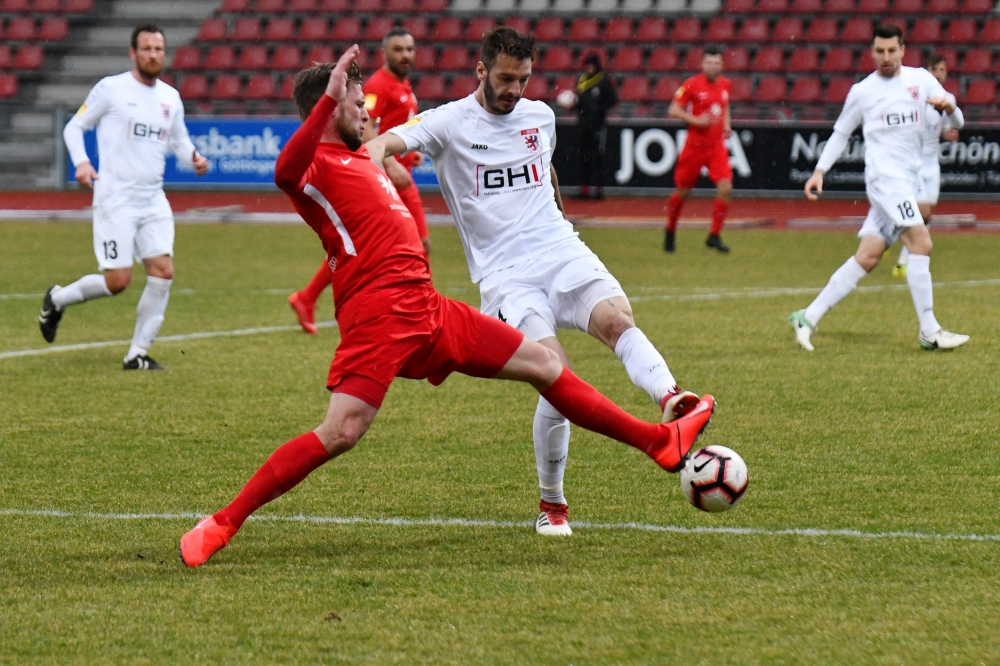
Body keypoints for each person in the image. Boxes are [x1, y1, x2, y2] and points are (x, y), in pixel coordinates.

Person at [178, 48, 715, 567]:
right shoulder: (315, 164)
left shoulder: (360, 156)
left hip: (430, 309)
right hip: (380, 318)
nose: (364, 110)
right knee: (341, 432)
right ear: (327, 106)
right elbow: (283, 172)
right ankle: (222, 523)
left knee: (547, 366)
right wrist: (327, 101)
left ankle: (658, 444)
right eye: (353, 102)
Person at [366, 28, 702, 537]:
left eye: (523, 79)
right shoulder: (449, 122)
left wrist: (564, 223)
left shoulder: (540, 116)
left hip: (559, 248)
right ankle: (554, 504)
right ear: (481, 71)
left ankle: (672, 399)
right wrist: (369, 164)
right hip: (504, 276)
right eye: (504, 79)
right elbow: (383, 143)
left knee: (617, 318)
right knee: (554, 374)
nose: (514, 89)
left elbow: (546, 174)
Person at [789, 25, 968, 352]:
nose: (885, 57)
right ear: (872, 53)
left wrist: (949, 109)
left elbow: (958, 124)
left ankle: (807, 317)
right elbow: (841, 133)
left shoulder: (921, 80)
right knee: (922, 243)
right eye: (879, 51)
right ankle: (930, 330)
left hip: (907, 180)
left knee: (868, 256)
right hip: (886, 181)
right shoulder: (863, 91)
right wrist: (819, 171)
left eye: (891, 51)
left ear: (903, 50)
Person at [41, 23, 208, 369]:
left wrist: (193, 157)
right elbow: (75, 126)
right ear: (133, 53)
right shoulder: (112, 89)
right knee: (118, 281)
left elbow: (178, 140)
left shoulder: (170, 97)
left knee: (162, 271)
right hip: (115, 198)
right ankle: (57, 300)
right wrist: (83, 163)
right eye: (146, 49)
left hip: (153, 199)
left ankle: (137, 354)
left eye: (158, 49)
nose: (153, 55)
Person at [287, 27, 430, 335]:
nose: (405, 55)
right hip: (381, 173)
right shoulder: (378, 85)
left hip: (395, 170)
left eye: (409, 48)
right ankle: (411, 312)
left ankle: (308, 297)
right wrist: (390, 163)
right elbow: (362, 126)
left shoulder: (403, 85)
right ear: (384, 54)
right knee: (404, 242)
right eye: (398, 50)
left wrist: (406, 157)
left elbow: (385, 128)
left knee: (382, 242)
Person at [892, 53, 960, 279]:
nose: (939, 74)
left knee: (926, 216)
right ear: (927, 72)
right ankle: (905, 259)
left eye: (942, 69)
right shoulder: (916, 96)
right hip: (915, 161)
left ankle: (891, 243)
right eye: (935, 70)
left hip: (933, 162)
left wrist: (949, 134)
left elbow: (947, 127)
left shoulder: (948, 98)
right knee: (922, 211)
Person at [664, 45, 733, 254]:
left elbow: (725, 105)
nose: (713, 66)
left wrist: (727, 124)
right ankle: (670, 229)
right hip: (694, 147)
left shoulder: (726, 84)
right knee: (682, 192)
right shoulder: (692, 84)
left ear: (722, 64)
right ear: (702, 64)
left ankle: (714, 235)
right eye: (709, 62)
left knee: (726, 188)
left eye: (717, 62)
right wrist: (695, 120)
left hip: (716, 146)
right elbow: (673, 110)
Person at [570, 53, 617, 200]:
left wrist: (599, 110)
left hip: (598, 125)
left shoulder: (603, 80)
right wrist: (572, 105)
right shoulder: (582, 80)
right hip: (583, 124)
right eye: (587, 66)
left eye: (591, 66)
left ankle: (598, 189)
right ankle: (584, 189)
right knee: (583, 157)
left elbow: (612, 99)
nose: (589, 69)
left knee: (598, 157)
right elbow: (578, 101)